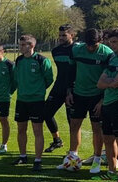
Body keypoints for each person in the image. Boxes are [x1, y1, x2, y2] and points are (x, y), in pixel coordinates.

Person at [57, 28, 113, 174]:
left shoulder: (107, 54)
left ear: (100, 41)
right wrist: (69, 92)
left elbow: (110, 78)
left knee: (96, 128)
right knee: (74, 125)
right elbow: (70, 72)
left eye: (93, 45)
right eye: (87, 44)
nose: (89, 47)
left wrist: (102, 100)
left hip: (96, 96)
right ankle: (72, 156)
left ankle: (96, 159)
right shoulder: (77, 50)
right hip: (78, 94)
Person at [12, 34, 54, 171]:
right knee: (21, 129)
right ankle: (23, 156)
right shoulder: (18, 60)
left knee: (37, 130)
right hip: (21, 100)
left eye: (23, 45)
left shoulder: (42, 60)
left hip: (37, 101)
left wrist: (38, 90)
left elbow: (49, 79)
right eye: (20, 45)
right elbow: (17, 78)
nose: (20, 47)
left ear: (32, 46)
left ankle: (37, 160)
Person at [97, 28, 118, 182]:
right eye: (110, 42)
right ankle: (112, 171)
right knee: (108, 139)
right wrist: (112, 82)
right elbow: (100, 83)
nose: (111, 45)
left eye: (115, 42)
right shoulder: (113, 58)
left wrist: (111, 82)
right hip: (108, 102)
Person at [43, 24, 76, 153]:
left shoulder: (77, 50)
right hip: (58, 87)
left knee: (72, 121)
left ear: (72, 35)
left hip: (73, 90)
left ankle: (73, 151)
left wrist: (71, 89)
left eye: (64, 35)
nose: (61, 38)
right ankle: (57, 140)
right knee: (46, 113)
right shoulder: (55, 51)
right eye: (60, 35)